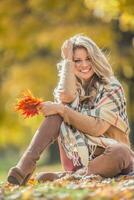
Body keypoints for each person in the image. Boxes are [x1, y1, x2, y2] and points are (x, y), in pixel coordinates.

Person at [7, 34, 134, 185]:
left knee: (122, 151)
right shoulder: (71, 86)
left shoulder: (112, 87)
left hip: (111, 157)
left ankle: (69, 177)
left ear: (96, 59)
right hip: (77, 155)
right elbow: (66, 97)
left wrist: (62, 109)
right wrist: (67, 60)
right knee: (56, 114)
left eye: (88, 59)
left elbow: (97, 128)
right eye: (77, 60)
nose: (84, 65)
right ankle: (24, 166)